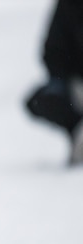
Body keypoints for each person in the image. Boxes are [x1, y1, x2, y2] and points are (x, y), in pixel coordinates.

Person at [25, 0, 83, 166]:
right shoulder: (69, 5)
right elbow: (52, 50)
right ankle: (76, 132)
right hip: (76, 84)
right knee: (42, 100)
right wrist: (63, 79)